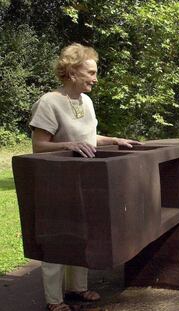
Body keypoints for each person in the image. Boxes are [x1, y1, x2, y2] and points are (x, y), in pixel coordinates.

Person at [30, 43, 140, 311]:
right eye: (90, 72)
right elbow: (38, 146)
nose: (95, 78)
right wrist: (66, 146)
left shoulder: (86, 101)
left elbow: (88, 139)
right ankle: (54, 300)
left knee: (83, 234)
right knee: (57, 238)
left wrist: (114, 139)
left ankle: (77, 287)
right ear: (71, 71)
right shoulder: (49, 102)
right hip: (54, 182)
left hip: (86, 180)